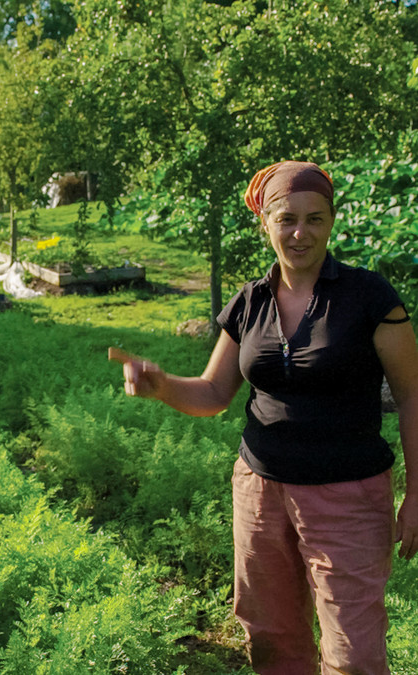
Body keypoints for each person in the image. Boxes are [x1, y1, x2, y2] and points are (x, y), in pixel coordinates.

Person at [109, 160, 418, 675]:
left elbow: (412, 394)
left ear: (332, 221)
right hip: (261, 491)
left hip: (348, 496)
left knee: (355, 654)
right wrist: (161, 386)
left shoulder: (369, 298)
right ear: (265, 223)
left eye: (315, 219)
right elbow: (212, 392)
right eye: (286, 219)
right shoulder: (249, 301)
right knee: (271, 637)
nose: (300, 233)